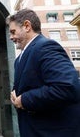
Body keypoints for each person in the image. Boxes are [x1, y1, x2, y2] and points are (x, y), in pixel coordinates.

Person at [6, 8, 80, 137]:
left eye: (13, 32)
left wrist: (24, 100)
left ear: (27, 26)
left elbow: (66, 87)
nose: (11, 37)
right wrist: (15, 94)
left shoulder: (46, 47)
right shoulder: (18, 59)